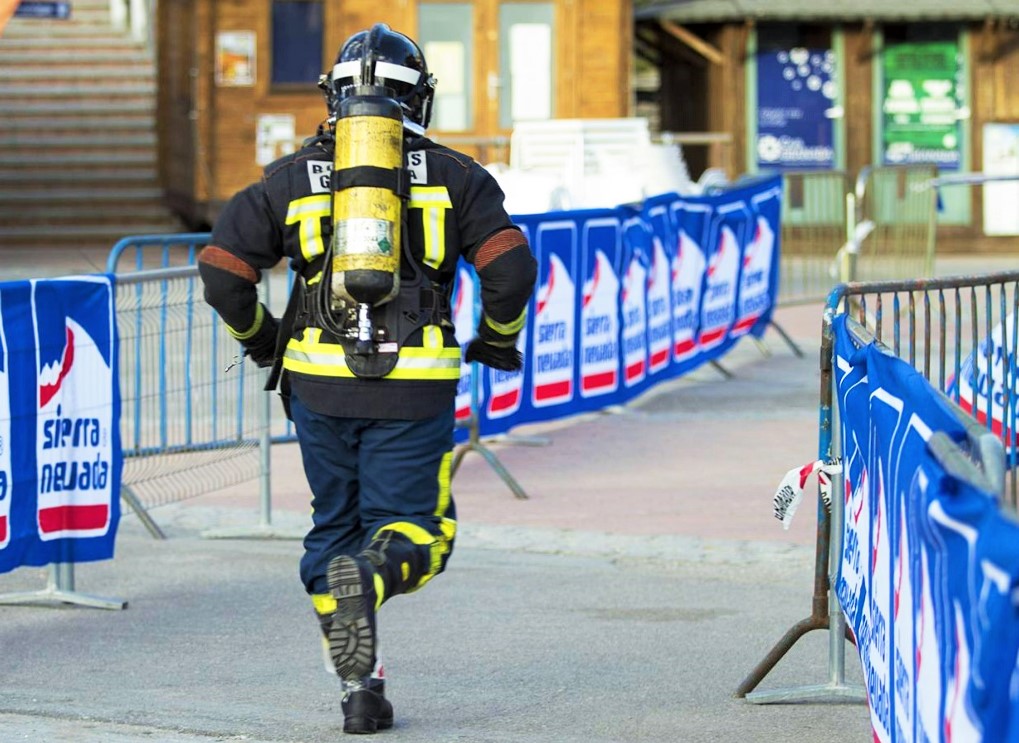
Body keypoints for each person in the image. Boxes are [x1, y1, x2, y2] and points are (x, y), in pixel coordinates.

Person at [197, 23, 536, 735]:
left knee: (334, 533)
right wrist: (496, 342)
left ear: (331, 98)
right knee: (418, 532)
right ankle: (375, 579)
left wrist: (266, 345)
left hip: (316, 387)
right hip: (414, 386)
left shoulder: (289, 178)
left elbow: (223, 274)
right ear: (424, 99)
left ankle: (360, 691)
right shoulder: (457, 176)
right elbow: (509, 268)